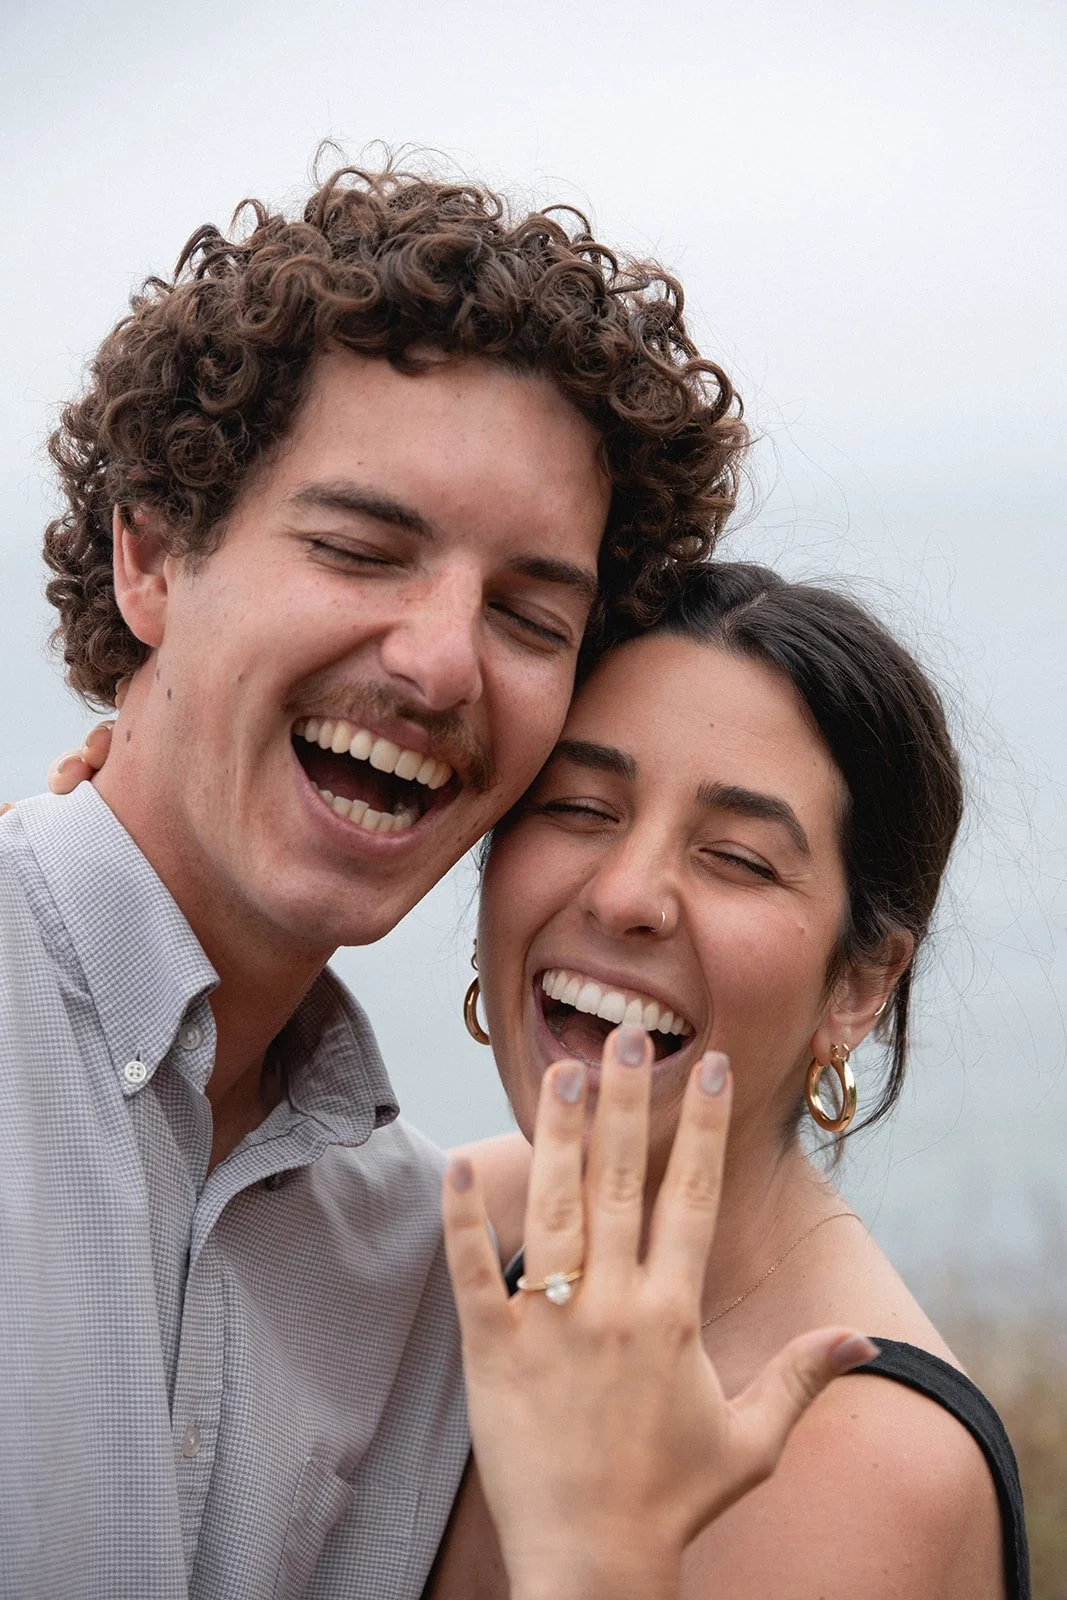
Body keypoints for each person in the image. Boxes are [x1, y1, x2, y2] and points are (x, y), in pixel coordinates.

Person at [0, 155, 760, 1599]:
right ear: (149, 557)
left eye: (529, 617)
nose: (441, 662)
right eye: (359, 550)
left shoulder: (420, 1271)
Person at [426, 562, 1030, 1599]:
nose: (626, 895)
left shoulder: (867, 1465)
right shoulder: (437, 1235)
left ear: (858, 985)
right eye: (578, 806)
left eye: (738, 859)